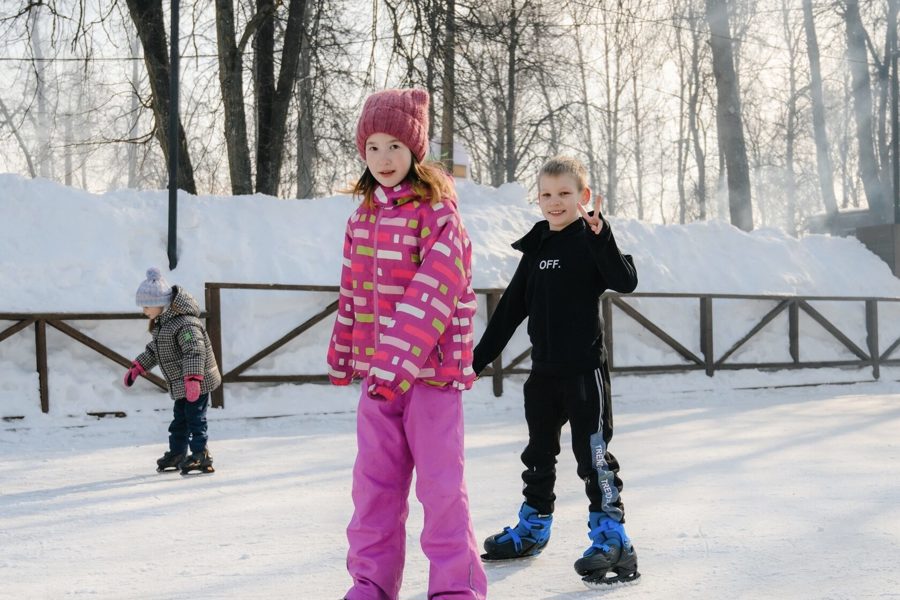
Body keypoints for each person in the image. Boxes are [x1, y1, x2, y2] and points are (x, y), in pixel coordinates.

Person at [326, 88, 488, 600]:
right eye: (372, 147)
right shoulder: (362, 219)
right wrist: (346, 350)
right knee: (373, 488)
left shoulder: (440, 216)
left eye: (394, 145)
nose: (383, 159)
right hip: (380, 381)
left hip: (432, 377)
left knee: (441, 489)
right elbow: (352, 289)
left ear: (415, 150)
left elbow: (434, 292)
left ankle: (454, 587)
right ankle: (371, 583)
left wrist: (396, 361)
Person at [472, 156, 640, 589]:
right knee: (538, 457)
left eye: (564, 193)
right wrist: (473, 362)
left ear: (583, 197)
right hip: (543, 377)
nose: (554, 202)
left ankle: (613, 539)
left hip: (584, 375)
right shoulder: (538, 249)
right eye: (546, 194)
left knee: (594, 458)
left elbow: (624, 281)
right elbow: (509, 312)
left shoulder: (590, 241)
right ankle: (533, 528)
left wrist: (604, 237)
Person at [123, 267, 222, 475]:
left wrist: (194, 378)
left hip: (198, 382)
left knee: (195, 419)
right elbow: (155, 350)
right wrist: (138, 367)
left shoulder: (185, 324)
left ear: (161, 303)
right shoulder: (164, 324)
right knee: (180, 419)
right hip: (181, 383)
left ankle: (201, 455)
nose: (144, 312)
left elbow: (195, 350)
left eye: (147, 307)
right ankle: (177, 453)